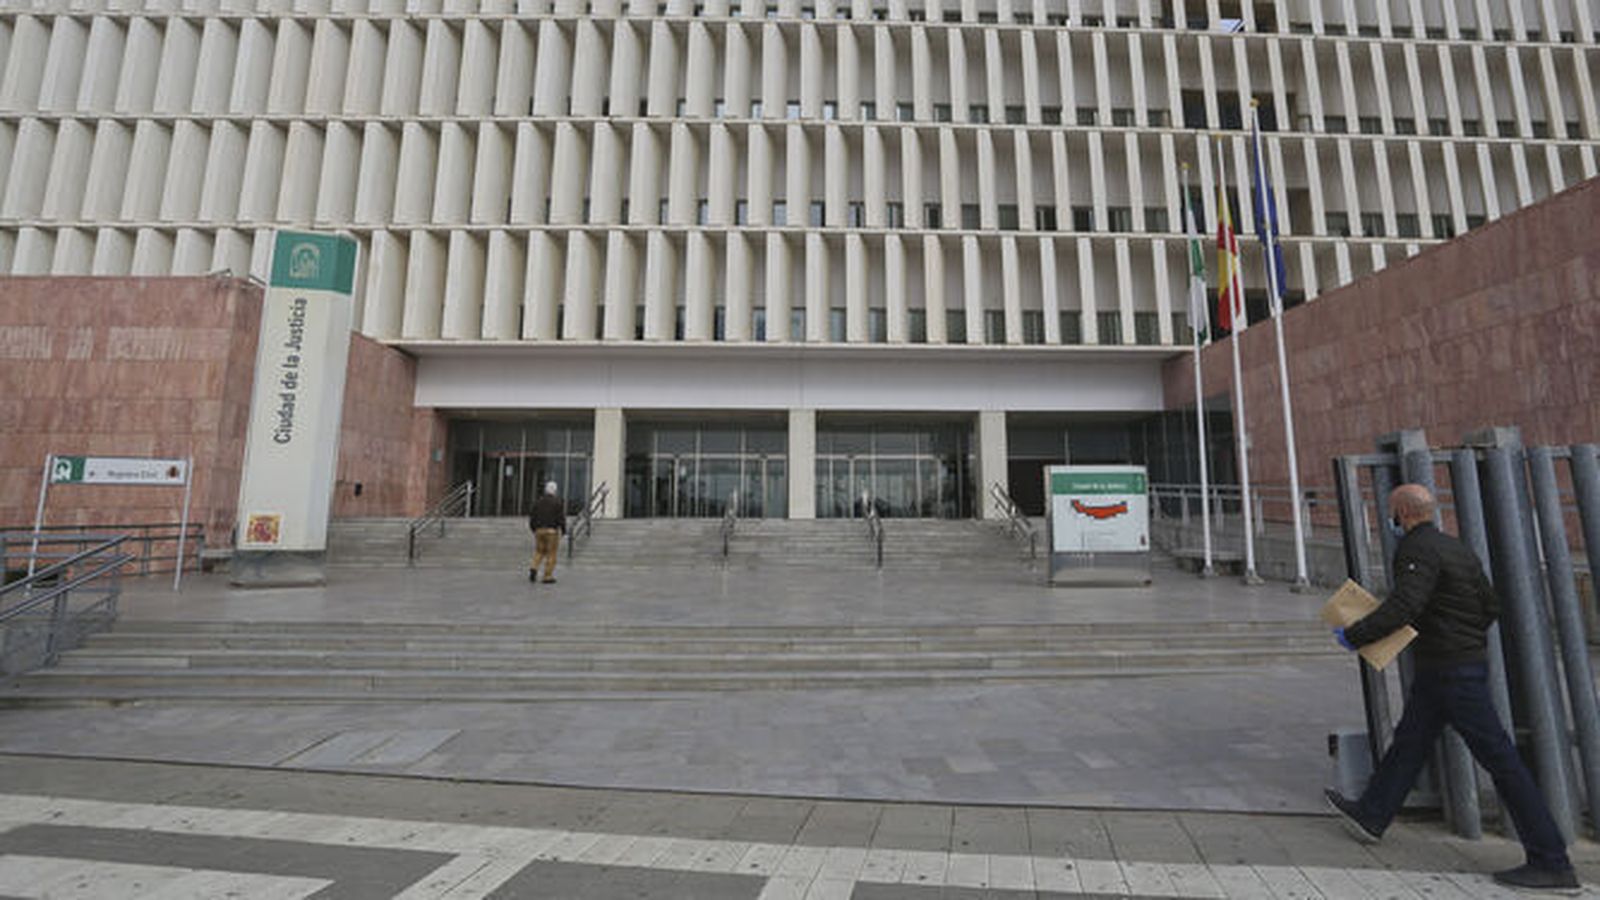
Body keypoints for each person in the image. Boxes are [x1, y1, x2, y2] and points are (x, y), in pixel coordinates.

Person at [1325, 483, 1579, 893]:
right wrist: (1461, 637)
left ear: (1403, 513)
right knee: (1410, 743)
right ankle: (1372, 814)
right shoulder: (1457, 548)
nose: (1389, 520)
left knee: (1502, 761)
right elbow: (1490, 606)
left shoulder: (1416, 549)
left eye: (1391, 512)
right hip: (1452, 667)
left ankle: (1552, 860)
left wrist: (1356, 634)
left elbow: (1406, 605)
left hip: (1450, 672)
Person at [527, 481, 567, 584]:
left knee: (539, 551)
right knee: (551, 553)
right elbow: (561, 518)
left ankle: (534, 567)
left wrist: (534, 528)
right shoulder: (557, 502)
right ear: (555, 491)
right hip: (551, 531)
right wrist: (563, 530)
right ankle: (547, 576)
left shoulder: (538, 501)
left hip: (539, 530)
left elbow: (532, 516)